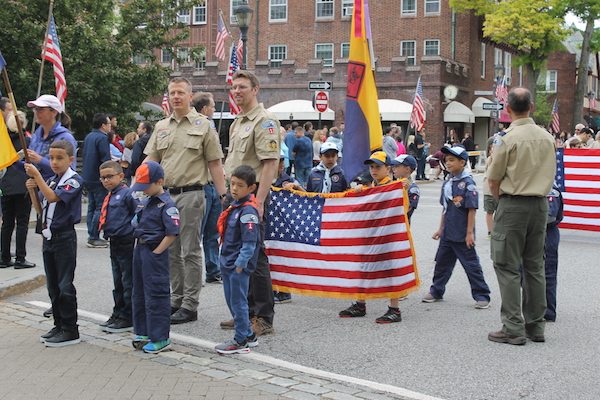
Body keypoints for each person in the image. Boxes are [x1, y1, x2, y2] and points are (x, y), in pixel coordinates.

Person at [144, 77, 227, 325]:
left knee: (190, 250)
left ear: (191, 97)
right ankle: (176, 299)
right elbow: (150, 161)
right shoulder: (161, 127)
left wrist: (224, 196)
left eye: (181, 92)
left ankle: (190, 305)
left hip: (192, 194)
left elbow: (214, 163)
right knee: (170, 251)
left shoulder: (204, 126)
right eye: (172, 93)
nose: (176, 96)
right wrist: (136, 190)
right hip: (165, 197)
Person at [487, 87, 556, 345]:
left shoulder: (505, 139)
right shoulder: (547, 137)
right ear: (532, 107)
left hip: (513, 203)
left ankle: (513, 327)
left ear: (508, 109)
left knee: (506, 266)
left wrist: (500, 203)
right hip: (540, 204)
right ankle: (536, 326)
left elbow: (494, 180)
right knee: (535, 266)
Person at [222, 70, 279, 336]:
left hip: (251, 202)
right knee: (236, 255)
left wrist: (259, 202)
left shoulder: (264, 120)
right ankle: (244, 313)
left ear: (255, 90)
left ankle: (263, 317)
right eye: (234, 87)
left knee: (255, 258)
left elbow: (269, 164)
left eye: (242, 87)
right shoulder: (238, 122)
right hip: (234, 199)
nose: (237, 91)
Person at [24, 140, 83, 347]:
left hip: (64, 237)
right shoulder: (50, 180)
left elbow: (53, 197)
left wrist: (37, 176)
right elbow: (40, 208)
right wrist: (32, 189)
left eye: (59, 158)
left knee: (65, 285)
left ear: (71, 160)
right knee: (53, 285)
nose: (54, 162)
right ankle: (59, 324)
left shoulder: (73, 181)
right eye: (51, 158)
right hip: (49, 237)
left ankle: (70, 328)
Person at [421, 145, 491, 309]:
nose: (448, 163)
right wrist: (440, 229)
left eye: (452, 160)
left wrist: (469, 233)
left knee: (471, 266)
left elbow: (471, 209)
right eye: (446, 160)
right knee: (441, 264)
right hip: (447, 232)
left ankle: (482, 295)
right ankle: (436, 291)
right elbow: (445, 208)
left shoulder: (468, 183)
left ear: (462, 162)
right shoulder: (448, 182)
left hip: (462, 234)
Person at [338, 151, 404, 323]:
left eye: (378, 167)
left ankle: (395, 309)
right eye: (372, 167)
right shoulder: (371, 187)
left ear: (388, 168)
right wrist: (361, 193)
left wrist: (402, 189)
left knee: (391, 270)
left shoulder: (394, 187)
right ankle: (360, 304)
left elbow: (406, 207)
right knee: (364, 266)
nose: (374, 170)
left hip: (388, 236)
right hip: (370, 235)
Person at [130, 161, 179, 353]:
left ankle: (160, 337)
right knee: (140, 293)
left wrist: (156, 252)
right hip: (140, 251)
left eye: (146, 186)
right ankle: (143, 331)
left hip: (154, 252)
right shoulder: (145, 201)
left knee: (156, 295)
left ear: (159, 181)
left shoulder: (167, 204)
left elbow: (172, 232)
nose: (143, 191)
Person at [215, 165, 261, 354]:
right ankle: (249, 335)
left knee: (238, 302)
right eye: (232, 184)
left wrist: (240, 266)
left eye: (240, 185)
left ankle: (240, 339)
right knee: (231, 300)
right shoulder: (234, 206)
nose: (234, 189)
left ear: (251, 188)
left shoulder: (248, 211)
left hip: (237, 266)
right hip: (228, 262)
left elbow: (249, 243)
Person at [97, 160, 138, 333]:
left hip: (126, 242)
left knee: (127, 281)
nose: (106, 180)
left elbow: (138, 215)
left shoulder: (128, 194)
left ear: (121, 176)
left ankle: (128, 315)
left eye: (110, 176)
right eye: (103, 178)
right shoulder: (110, 195)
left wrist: (135, 236)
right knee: (118, 281)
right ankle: (118, 311)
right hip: (114, 242)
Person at [192, 91, 222, 284]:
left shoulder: (211, 129)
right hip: (201, 186)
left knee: (213, 232)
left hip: (213, 185)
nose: (214, 110)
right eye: (212, 107)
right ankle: (194, 274)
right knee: (196, 234)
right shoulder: (199, 128)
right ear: (204, 109)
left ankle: (213, 269)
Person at [1, 112, 35, 269]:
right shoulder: (26, 140)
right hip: (22, 184)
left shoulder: (4, 142)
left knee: (7, 223)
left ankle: (4, 256)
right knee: (22, 223)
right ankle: (20, 257)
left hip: (6, 184)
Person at [16, 95, 77, 181]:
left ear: (54, 112)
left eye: (41, 109)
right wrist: (14, 161)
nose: (36, 113)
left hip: (57, 190)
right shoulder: (36, 136)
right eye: (35, 109)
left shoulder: (65, 137)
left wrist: (40, 160)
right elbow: (31, 169)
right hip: (38, 189)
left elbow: (69, 171)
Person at [82, 113, 112, 248]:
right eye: (109, 124)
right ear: (103, 125)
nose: (110, 127)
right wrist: (108, 175)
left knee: (91, 207)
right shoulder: (102, 138)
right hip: (98, 177)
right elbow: (105, 158)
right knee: (100, 206)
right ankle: (94, 236)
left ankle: (91, 234)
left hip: (87, 175)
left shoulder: (89, 137)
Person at [543, 184, 563, 322]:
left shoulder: (550, 189)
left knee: (548, 272)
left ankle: (548, 311)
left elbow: (550, 216)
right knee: (523, 271)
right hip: (531, 233)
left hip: (547, 233)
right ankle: (534, 306)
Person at [390, 154, 419, 222]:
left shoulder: (412, 188)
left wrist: (404, 191)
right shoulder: (393, 183)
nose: (393, 169)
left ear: (407, 169)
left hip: (402, 225)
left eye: (397, 166)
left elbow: (408, 208)